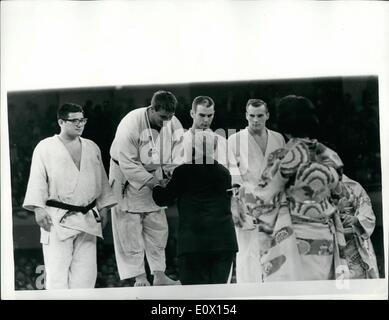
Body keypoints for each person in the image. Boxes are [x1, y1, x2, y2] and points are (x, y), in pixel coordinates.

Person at [235, 95, 349, 281]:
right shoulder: (330, 155)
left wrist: (241, 206)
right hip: (325, 235)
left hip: (293, 236)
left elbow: (263, 201)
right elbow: (340, 195)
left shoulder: (282, 157)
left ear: (284, 124)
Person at [23, 103, 117, 289]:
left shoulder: (92, 147)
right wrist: (38, 209)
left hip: (88, 218)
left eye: (82, 120)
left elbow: (102, 180)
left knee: (85, 277)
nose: (80, 124)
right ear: (61, 122)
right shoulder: (45, 147)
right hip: (56, 218)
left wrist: (104, 206)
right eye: (74, 120)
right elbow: (37, 178)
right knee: (57, 276)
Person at [109, 90, 184, 286]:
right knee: (129, 225)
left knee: (157, 225)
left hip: (156, 171)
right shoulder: (130, 124)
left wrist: (170, 177)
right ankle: (139, 277)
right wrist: (153, 182)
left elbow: (178, 155)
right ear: (152, 109)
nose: (166, 122)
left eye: (169, 117)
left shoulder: (173, 124)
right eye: (162, 117)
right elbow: (128, 163)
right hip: (127, 175)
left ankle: (159, 275)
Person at [152, 130, 238, 285]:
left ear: (191, 148)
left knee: (195, 296)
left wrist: (155, 184)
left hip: (194, 245)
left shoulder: (183, 172)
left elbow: (162, 199)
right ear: (214, 148)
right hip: (224, 243)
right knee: (218, 297)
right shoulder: (224, 173)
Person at [227, 99, 285, 283]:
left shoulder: (278, 138)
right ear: (246, 115)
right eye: (251, 115)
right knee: (247, 252)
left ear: (267, 115)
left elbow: (282, 172)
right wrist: (244, 201)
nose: (255, 120)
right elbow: (232, 176)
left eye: (260, 115)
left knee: (275, 249)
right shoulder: (234, 140)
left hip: (273, 202)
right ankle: (247, 292)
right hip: (245, 202)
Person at [334, 174, 379, 278]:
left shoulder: (354, 186)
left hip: (353, 239)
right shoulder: (318, 186)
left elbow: (367, 213)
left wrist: (356, 219)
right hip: (331, 238)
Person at [183, 96, 228, 168]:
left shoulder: (223, 142)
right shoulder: (180, 142)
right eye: (202, 115)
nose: (206, 120)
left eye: (210, 115)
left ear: (214, 114)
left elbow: (230, 174)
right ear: (192, 113)